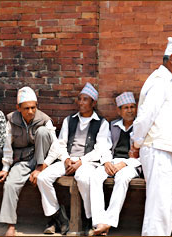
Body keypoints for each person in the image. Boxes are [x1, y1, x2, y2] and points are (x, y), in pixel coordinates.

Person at [130, 37, 172, 236]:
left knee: (165, 209)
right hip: (157, 151)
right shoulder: (159, 82)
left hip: (168, 152)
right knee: (158, 210)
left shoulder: (170, 82)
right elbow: (144, 119)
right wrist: (137, 144)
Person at [36, 83, 112, 235]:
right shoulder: (69, 120)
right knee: (43, 178)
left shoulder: (101, 123)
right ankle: (58, 216)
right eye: (80, 99)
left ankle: (89, 219)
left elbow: (101, 149)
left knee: (83, 178)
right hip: (68, 160)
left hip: (87, 162)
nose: (81, 102)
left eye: (85, 99)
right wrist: (65, 159)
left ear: (93, 103)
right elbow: (60, 144)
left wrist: (81, 162)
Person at [0, 86, 57, 236]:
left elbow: (56, 146)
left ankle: (55, 221)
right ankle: (10, 225)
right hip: (23, 161)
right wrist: (5, 168)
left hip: (43, 161)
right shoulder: (11, 120)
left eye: (33, 107)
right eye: (26, 108)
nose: (30, 111)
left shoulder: (44, 120)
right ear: (18, 108)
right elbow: (7, 146)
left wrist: (41, 167)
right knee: (10, 184)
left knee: (42, 132)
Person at [90, 92, 141, 235]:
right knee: (95, 176)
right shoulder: (112, 125)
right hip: (112, 161)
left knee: (122, 178)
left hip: (132, 164)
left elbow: (144, 153)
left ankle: (109, 222)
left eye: (132, 107)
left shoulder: (141, 126)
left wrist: (124, 164)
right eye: (126, 108)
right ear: (119, 110)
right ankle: (99, 221)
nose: (130, 110)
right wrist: (106, 162)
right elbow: (105, 146)